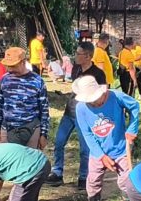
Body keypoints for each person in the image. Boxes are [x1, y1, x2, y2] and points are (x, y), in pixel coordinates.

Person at [74, 75, 140, 201]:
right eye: (90, 101)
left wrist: (132, 129)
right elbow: (87, 134)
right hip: (97, 151)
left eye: (96, 99)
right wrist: (101, 156)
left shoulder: (116, 97)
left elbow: (135, 106)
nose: (94, 103)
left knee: (126, 181)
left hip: (121, 150)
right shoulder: (81, 108)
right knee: (92, 183)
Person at [45, 42, 107, 189]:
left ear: (88, 56)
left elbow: (103, 94)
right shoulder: (76, 69)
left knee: (85, 148)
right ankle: (57, 173)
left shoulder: (98, 74)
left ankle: (84, 177)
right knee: (59, 142)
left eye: (78, 54)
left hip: (85, 115)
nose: (75, 56)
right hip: (69, 112)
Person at [0, 47, 50, 149]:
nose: (10, 69)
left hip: (32, 129)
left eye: (14, 66)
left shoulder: (37, 81)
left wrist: (44, 134)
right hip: (7, 129)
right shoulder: (5, 80)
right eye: (8, 66)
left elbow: (44, 110)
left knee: (30, 158)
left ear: (23, 62)